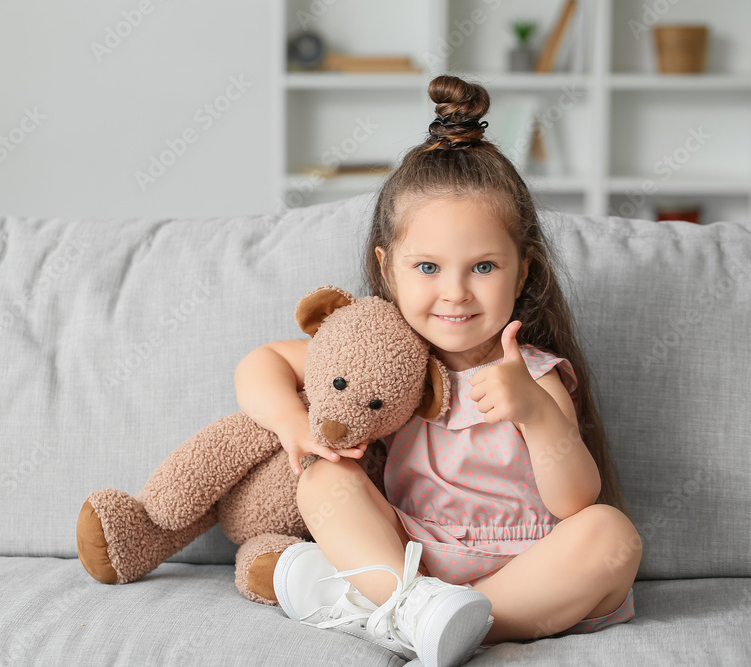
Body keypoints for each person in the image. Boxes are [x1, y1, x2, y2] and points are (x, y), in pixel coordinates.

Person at [234, 75, 641, 666]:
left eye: (482, 267)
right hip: (407, 551)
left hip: (524, 569)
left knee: (610, 534)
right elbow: (263, 361)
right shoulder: (384, 357)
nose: (454, 293)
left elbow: (576, 498)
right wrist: (291, 421)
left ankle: (431, 617)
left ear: (522, 273)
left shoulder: (531, 370)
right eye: (427, 266)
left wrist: (533, 412)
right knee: (322, 480)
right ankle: (417, 610)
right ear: (387, 267)